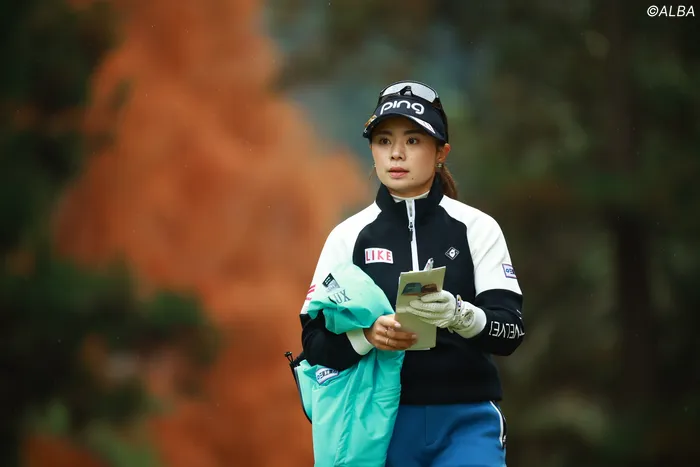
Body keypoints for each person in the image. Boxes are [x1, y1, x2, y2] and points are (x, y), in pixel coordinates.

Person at [298, 80, 525, 466]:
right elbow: (313, 342)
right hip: (379, 423)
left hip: (467, 419)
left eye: (414, 140)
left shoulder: (478, 228)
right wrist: (367, 336)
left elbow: (511, 331)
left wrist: (459, 314)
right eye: (384, 140)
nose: (396, 153)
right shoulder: (347, 236)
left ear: (441, 152)